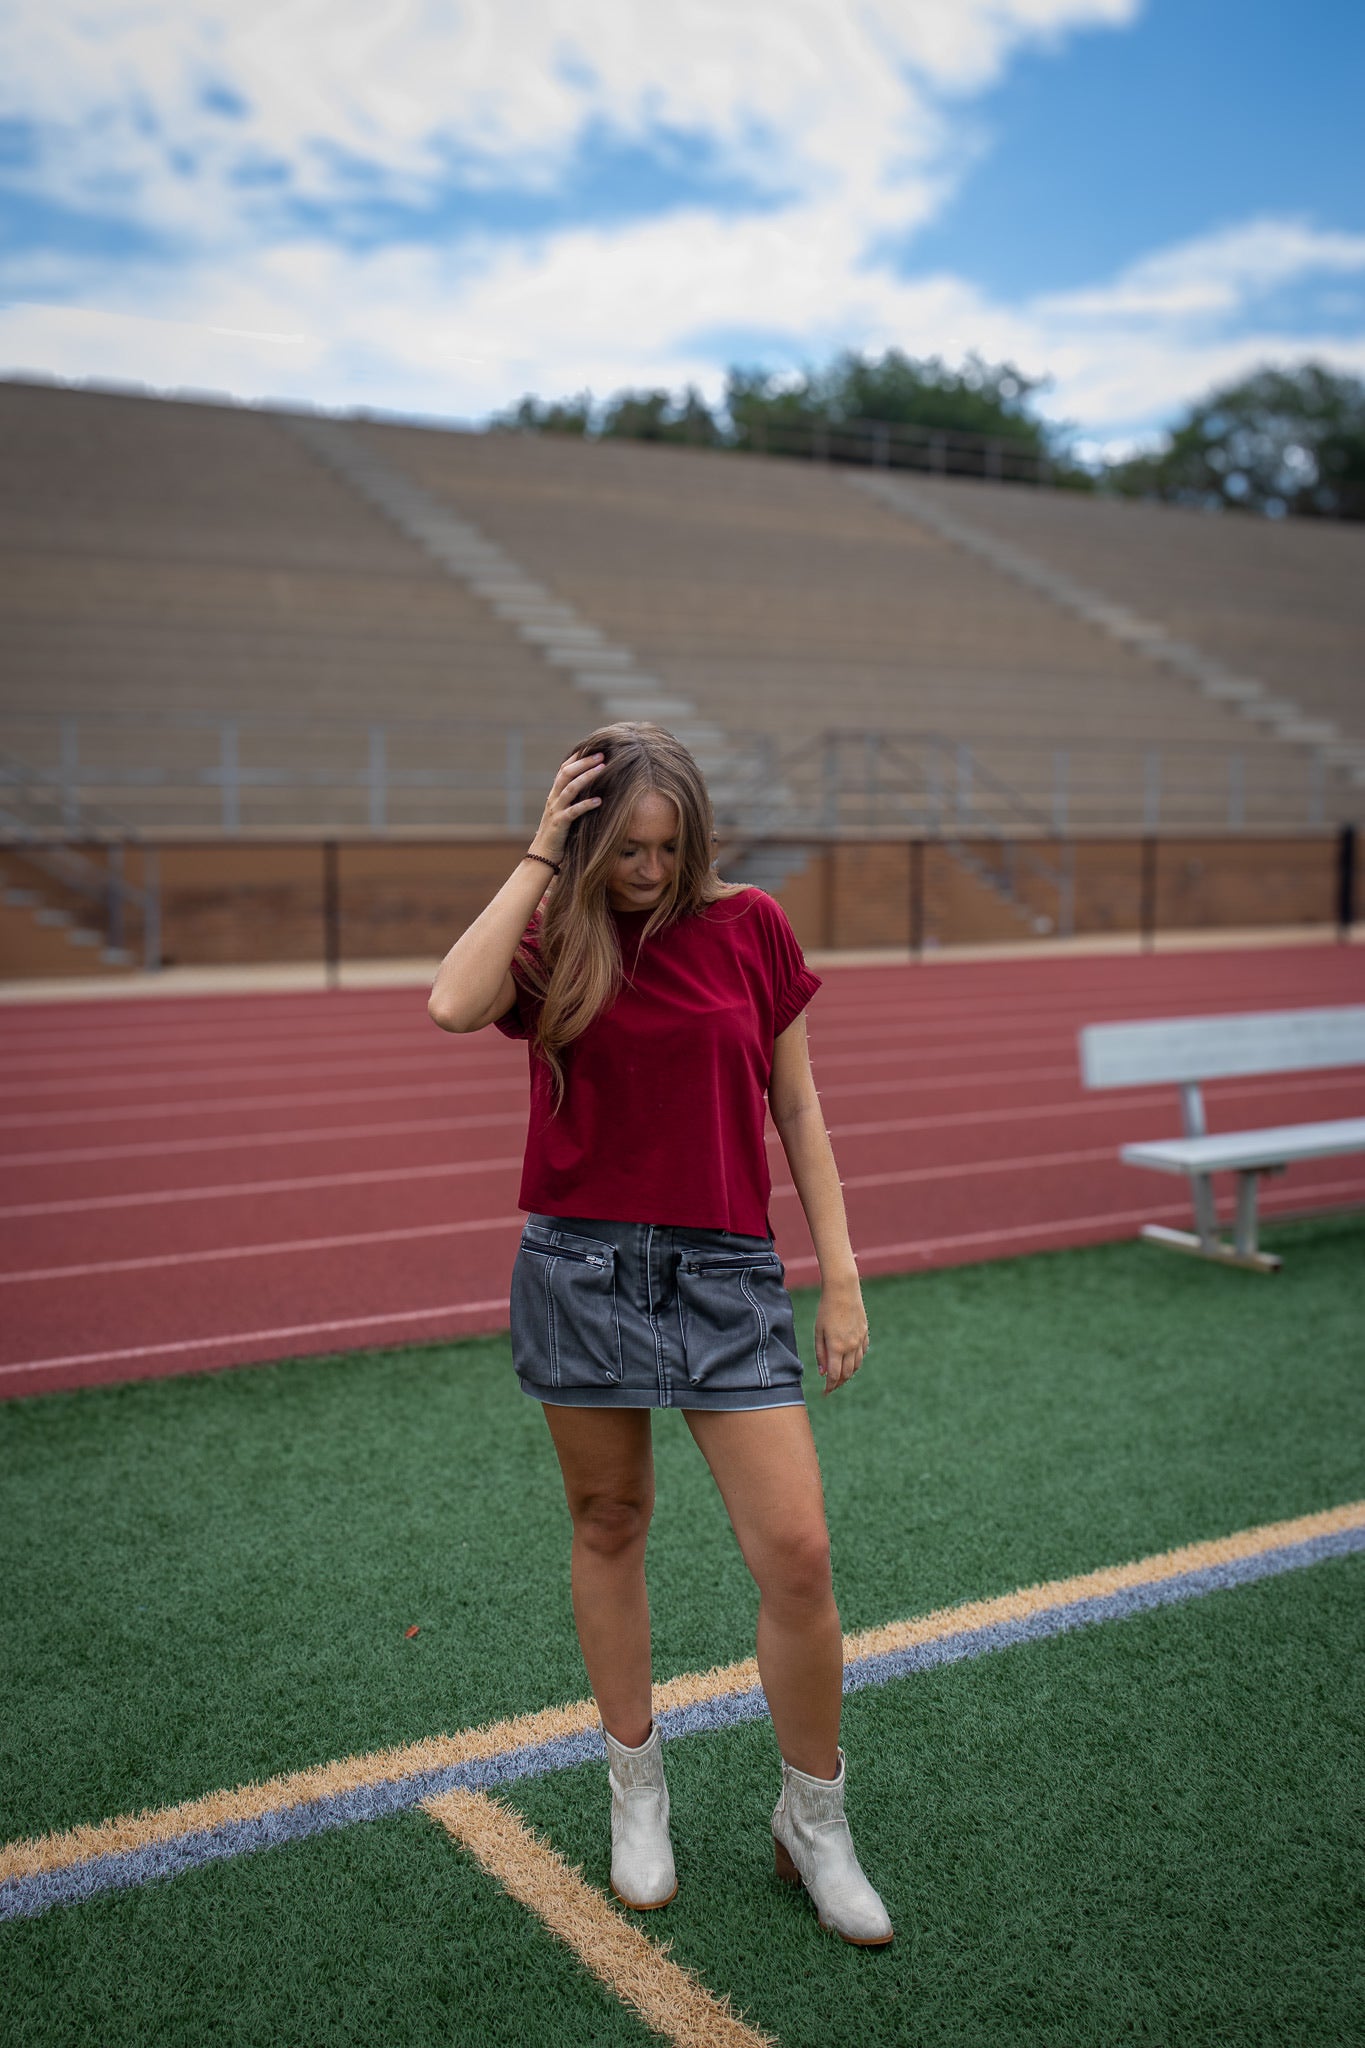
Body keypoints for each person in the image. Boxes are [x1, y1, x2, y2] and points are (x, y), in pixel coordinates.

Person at [428, 721, 892, 1947]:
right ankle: (638, 1790)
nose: (647, 866)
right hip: (578, 1265)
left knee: (796, 1550)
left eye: (668, 842)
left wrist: (839, 1275)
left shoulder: (752, 927)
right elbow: (449, 1002)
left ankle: (815, 1819)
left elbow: (796, 1101)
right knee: (610, 1521)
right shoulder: (556, 931)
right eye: (624, 845)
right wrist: (539, 855)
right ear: (589, 835)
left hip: (729, 1272)